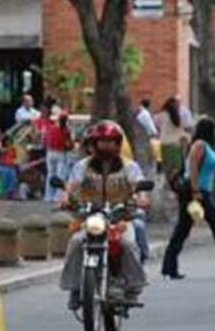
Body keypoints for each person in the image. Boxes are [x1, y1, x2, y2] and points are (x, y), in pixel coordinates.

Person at [58, 120, 149, 307]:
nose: (106, 145)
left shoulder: (129, 167)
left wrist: (141, 198)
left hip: (120, 217)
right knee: (76, 242)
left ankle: (132, 286)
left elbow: (139, 188)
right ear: (94, 143)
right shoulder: (82, 166)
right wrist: (66, 198)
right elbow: (71, 187)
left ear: (117, 144)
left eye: (110, 141)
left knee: (128, 243)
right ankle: (75, 288)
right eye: (102, 141)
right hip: (91, 217)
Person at [161, 117, 215, 280]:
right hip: (196, 192)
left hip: (202, 191)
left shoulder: (206, 146)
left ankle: (169, 267)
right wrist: (195, 191)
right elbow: (193, 168)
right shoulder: (199, 145)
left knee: (183, 230)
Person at [42, 108, 74, 202]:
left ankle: (48, 196)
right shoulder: (66, 130)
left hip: (50, 153)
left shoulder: (51, 128)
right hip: (60, 153)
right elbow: (70, 144)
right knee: (60, 175)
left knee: (50, 174)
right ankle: (57, 197)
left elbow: (45, 140)